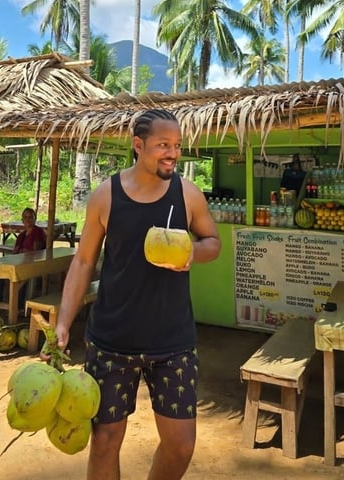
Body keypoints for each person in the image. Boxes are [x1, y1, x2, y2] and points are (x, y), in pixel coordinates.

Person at [45, 109, 221, 480]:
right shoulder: (105, 196)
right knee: (106, 440)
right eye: (162, 145)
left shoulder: (187, 194)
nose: (172, 153)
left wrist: (192, 252)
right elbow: (83, 262)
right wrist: (63, 322)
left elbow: (213, 242)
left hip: (172, 342)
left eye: (176, 146)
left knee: (181, 445)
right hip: (111, 341)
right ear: (138, 145)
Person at [0, 207, 45, 309]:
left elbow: (36, 252)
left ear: (35, 219)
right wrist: (21, 252)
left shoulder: (37, 232)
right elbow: (15, 251)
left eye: (30, 217)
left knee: (21, 280)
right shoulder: (21, 235)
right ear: (22, 220)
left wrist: (23, 252)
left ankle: (18, 306)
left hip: (30, 264)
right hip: (18, 263)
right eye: (25, 217)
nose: (27, 219)